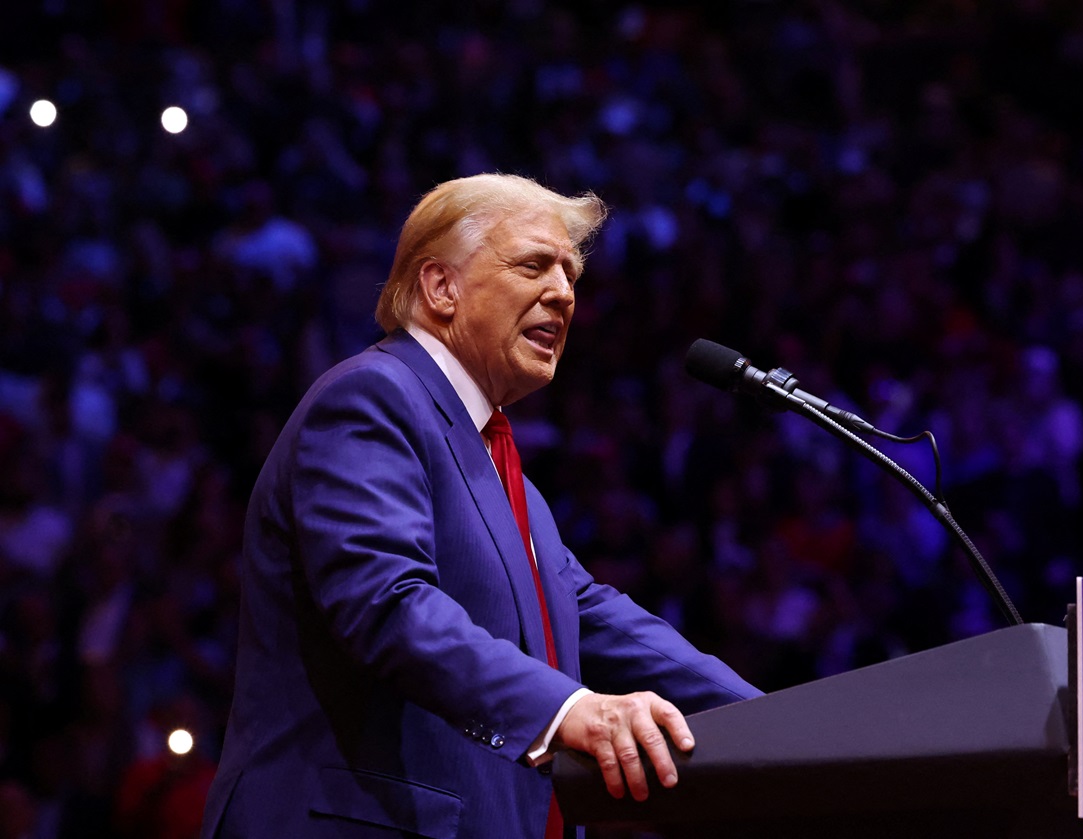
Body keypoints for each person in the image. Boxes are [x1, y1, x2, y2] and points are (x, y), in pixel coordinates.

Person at [200, 173, 760, 839]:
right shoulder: (371, 398)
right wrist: (569, 708)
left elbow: (595, 618)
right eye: (533, 265)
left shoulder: (499, 467)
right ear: (440, 287)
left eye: (570, 274)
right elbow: (387, 603)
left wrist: (775, 720)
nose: (562, 292)